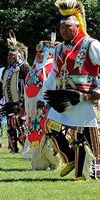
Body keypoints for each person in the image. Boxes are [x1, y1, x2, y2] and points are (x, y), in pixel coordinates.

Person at [42, 0, 100, 180]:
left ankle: (88, 173)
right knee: (50, 127)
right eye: (61, 28)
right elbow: (53, 75)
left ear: (77, 26)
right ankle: (69, 158)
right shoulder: (58, 50)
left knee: (85, 136)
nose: (64, 31)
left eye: (68, 27)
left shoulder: (91, 44)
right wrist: (45, 95)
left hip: (85, 98)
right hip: (63, 98)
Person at [24, 39, 56, 167]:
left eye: (42, 52)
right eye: (37, 52)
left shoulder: (51, 67)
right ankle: (40, 159)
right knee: (35, 131)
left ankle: (54, 159)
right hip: (33, 109)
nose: (38, 54)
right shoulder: (34, 68)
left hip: (48, 107)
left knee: (48, 132)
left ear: (49, 53)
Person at [0, 30, 31, 153]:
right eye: (8, 55)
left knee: (20, 124)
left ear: (18, 55)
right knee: (9, 126)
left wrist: (24, 104)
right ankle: (13, 148)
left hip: (20, 102)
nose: (9, 57)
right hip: (9, 103)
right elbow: (2, 86)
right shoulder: (6, 70)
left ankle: (26, 147)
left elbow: (29, 85)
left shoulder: (24, 67)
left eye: (11, 55)